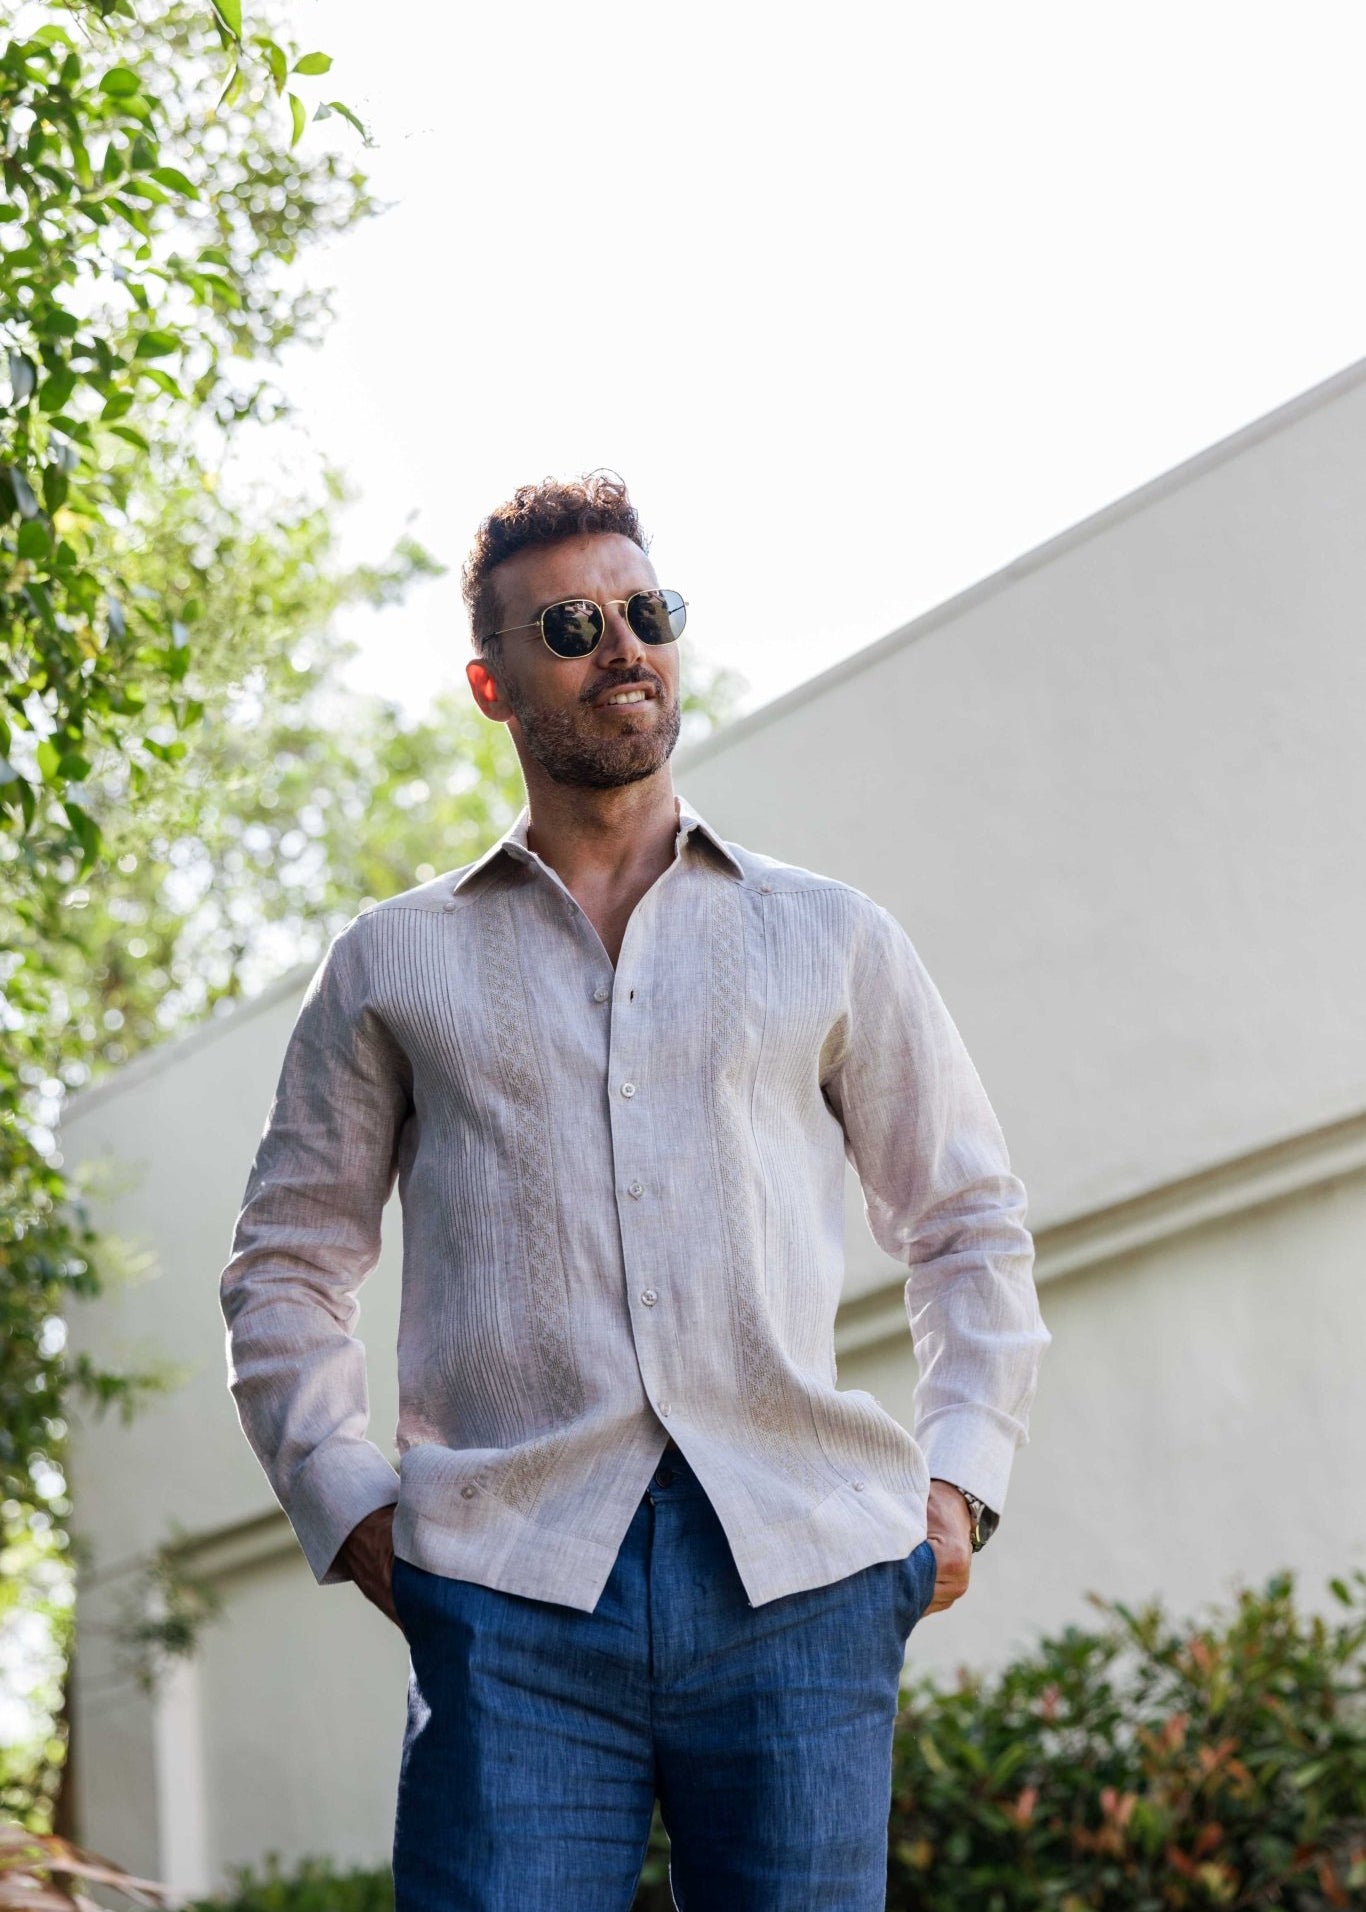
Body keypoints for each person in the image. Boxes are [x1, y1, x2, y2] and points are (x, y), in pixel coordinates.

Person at [218, 469, 1051, 1911]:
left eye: (646, 610)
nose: (624, 645)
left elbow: (965, 1222)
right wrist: (349, 1506)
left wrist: (960, 1479)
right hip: (510, 1594)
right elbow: (286, 1267)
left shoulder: (827, 935)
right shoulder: (390, 962)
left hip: (801, 1580)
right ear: (493, 683)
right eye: (572, 624)